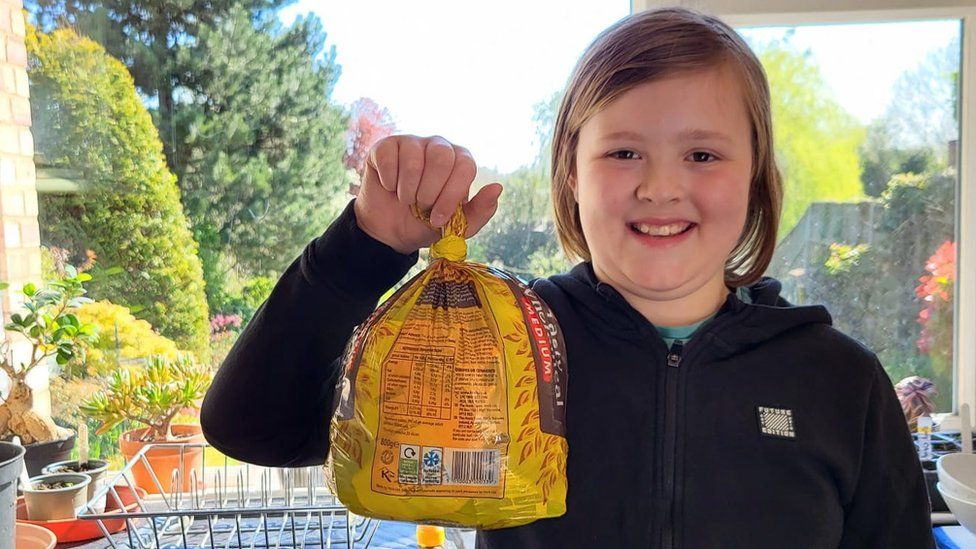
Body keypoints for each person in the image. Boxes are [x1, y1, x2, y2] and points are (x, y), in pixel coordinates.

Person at [201, 6, 935, 548]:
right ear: (571, 177)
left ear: (756, 179)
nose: (659, 187)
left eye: (703, 155)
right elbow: (255, 429)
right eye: (622, 153)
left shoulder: (840, 381)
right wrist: (365, 247)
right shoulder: (495, 343)